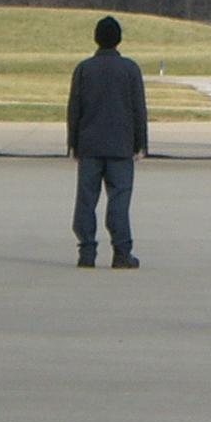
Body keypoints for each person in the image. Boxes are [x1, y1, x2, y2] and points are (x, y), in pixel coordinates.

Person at [66, 15, 147, 269]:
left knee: (86, 199)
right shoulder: (131, 69)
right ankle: (122, 252)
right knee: (119, 199)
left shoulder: (83, 69)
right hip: (121, 146)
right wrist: (141, 143)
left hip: (89, 145)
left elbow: (74, 109)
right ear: (119, 39)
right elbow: (138, 109)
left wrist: (73, 143)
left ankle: (86, 251)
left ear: (96, 38)